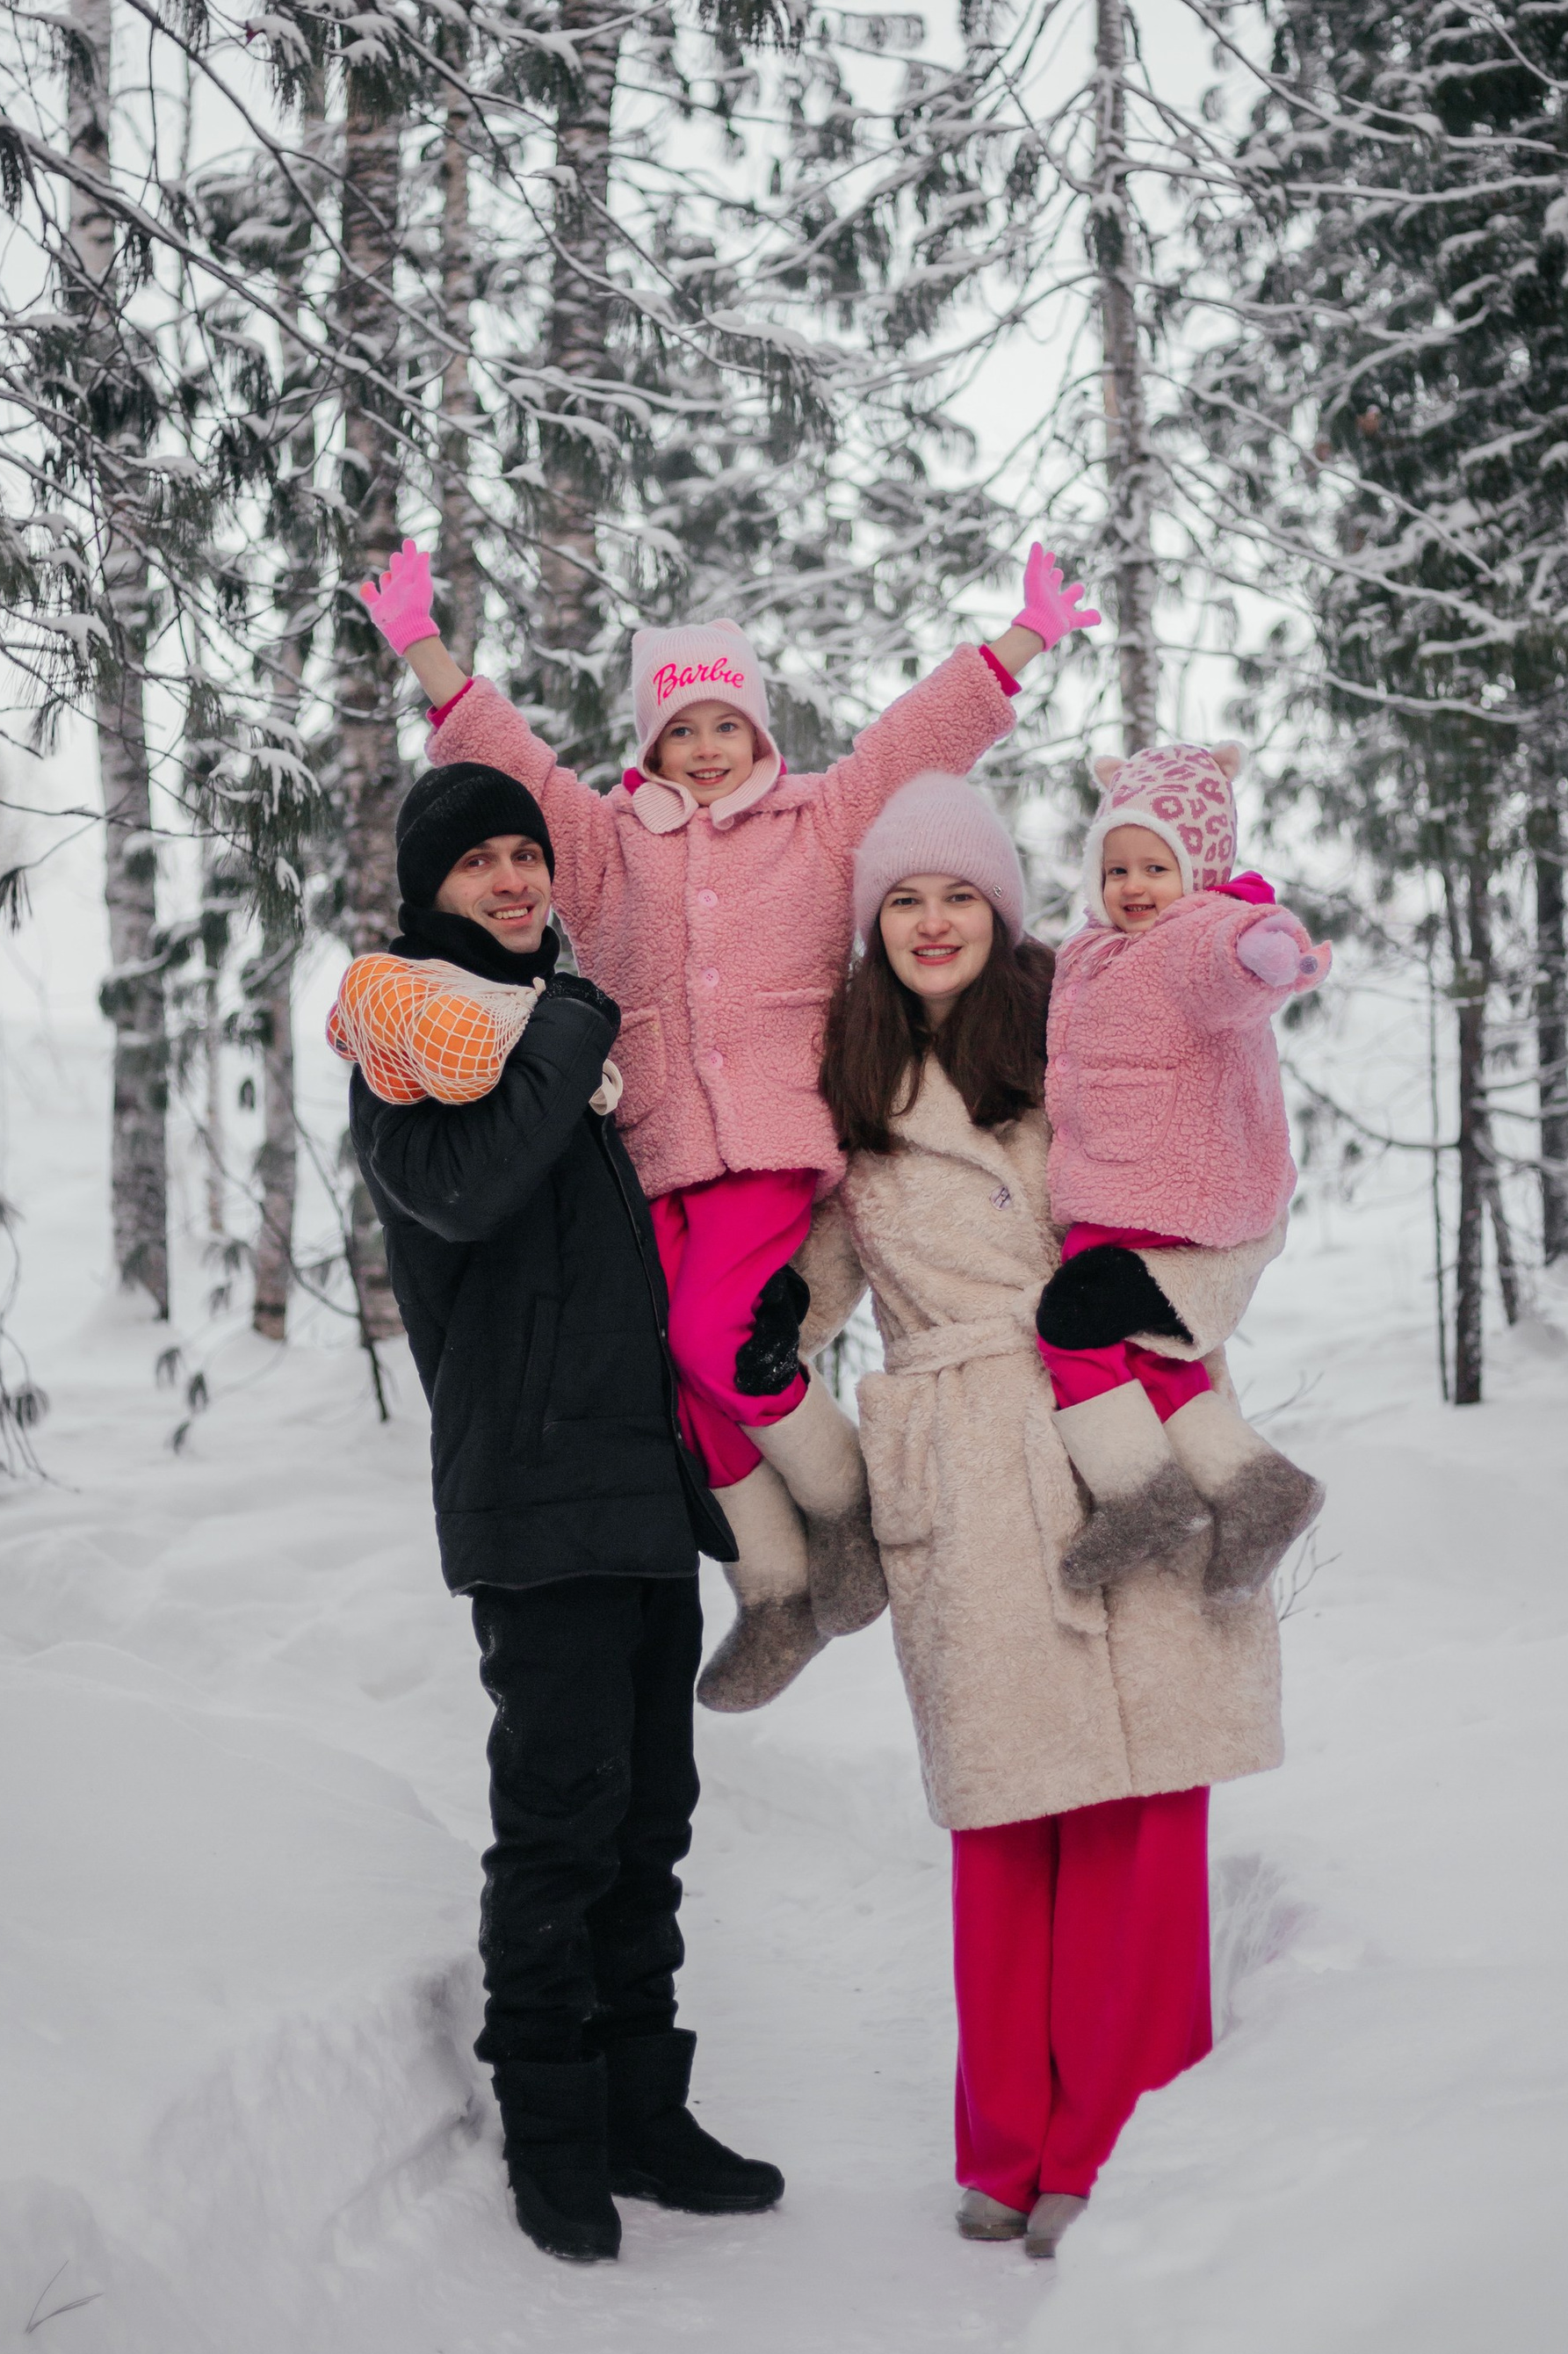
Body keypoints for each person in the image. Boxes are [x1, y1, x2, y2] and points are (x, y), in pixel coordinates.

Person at [351, 535, 1099, 1713]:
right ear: (651, 744)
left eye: (725, 727)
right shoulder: (602, 849)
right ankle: (777, 1584)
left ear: (760, 732)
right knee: (677, 1374)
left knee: (713, 1340)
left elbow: (916, 743)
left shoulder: (821, 823)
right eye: (680, 733)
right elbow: (519, 769)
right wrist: (423, 650)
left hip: (770, 1142)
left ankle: (851, 1514)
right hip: (652, 1153)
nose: (704, 751)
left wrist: (1020, 643)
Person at [797, 772, 1290, 2262]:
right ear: (876, 927)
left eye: (959, 894)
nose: (933, 920)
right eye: (905, 898)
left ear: (1003, 910)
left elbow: (1232, 1191)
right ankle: (1011, 2143)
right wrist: (763, 1330)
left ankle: (1123, 2146)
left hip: (1121, 1425)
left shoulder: (1097, 1028)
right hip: (955, 1453)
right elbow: (809, 1268)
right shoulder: (851, 1084)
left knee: (1141, 1804)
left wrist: (1151, 1301)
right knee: (1008, 1815)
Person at [347, 757, 782, 2266]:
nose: (519, 880)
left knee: (650, 1820)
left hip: (633, 1487)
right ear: (433, 893)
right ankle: (551, 2136)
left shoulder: (552, 1047)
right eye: (482, 864)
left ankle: (643, 2115)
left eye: (530, 854)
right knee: (559, 1824)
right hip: (532, 1491)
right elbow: (463, 1199)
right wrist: (577, 1025)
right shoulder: (416, 1042)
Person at [1034, 741, 1331, 1595]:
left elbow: (1233, 960)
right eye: (1116, 866)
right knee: (1155, 1358)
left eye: (1155, 866)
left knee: (1069, 1322)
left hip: (1169, 1191)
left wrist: (1266, 956)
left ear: (1195, 870)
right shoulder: (1090, 951)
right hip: (1116, 1182)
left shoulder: (1195, 934)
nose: (1133, 886)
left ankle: (1140, 1497)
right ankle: (1259, 1489)